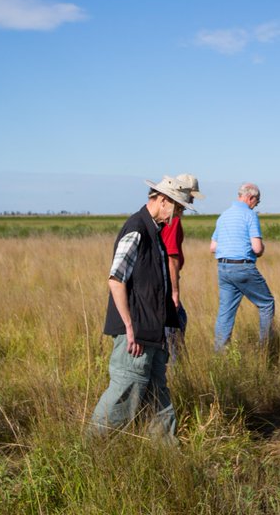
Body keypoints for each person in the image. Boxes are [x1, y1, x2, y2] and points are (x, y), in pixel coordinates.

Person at [88, 175, 195, 441]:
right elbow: (116, 279)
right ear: (161, 200)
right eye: (178, 207)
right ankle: (91, 449)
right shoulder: (137, 228)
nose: (179, 214)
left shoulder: (155, 232)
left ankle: (167, 453)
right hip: (136, 332)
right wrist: (129, 326)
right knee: (125, 391)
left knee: (159, 393)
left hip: (152, 330)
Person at [210, 182, 274, 349]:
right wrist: (261, 249)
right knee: (267, 303)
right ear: (250, 197)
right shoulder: (250, 215)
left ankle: (219, 355)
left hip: (223, 268)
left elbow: (213, 247)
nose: (256, 205)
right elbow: (257, 248)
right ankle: (265, 349)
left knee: (225, 312)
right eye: (257, 201)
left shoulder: (223, 215)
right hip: (243, 267)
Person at [161, 173, 203, 361]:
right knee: (175, 328)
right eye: (191, 194)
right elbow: (172, 255)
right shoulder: (173, 219)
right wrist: (174, 291)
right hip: (167, 285)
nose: (193, 198)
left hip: (164, 282)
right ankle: (175, 374)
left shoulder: (167, 217)